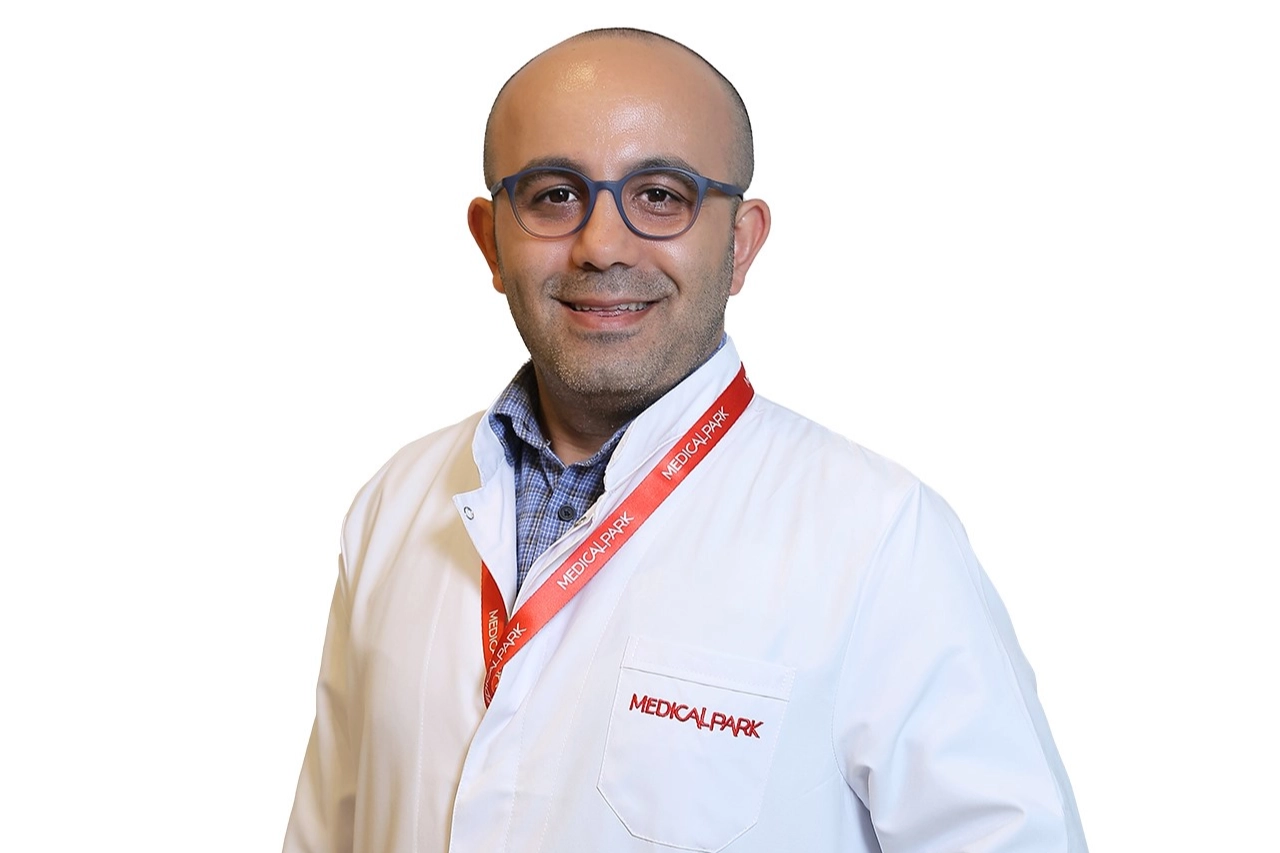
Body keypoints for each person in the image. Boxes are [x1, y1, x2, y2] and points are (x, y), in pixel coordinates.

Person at [284, 27, 1087, 853]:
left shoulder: (879, 538)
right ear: (491, 239)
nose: (602, 245)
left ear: (739, 244)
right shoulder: (394, 504)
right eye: (554, 195)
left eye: (661, 195)